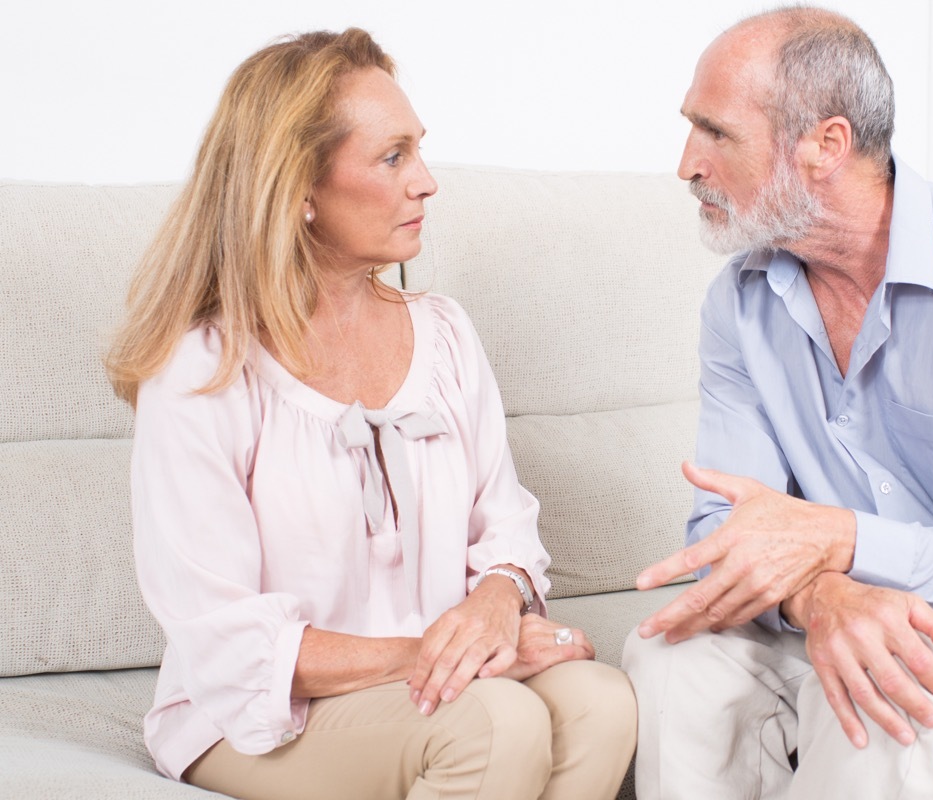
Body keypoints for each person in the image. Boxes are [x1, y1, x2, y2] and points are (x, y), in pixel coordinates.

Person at [106, 28, 635, 800]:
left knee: (601, 703)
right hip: (259, 713)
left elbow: (507, 524)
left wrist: (494, 607)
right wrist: (432, 652)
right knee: (498, 723)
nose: (426, 182)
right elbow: (227, 639)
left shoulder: (446, 334)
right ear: (301, 191)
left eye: (418, 151)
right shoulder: (204, 369)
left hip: (439, 686)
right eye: (393, 158)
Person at [622, 6, 933, 798]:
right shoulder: (739, 304)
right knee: (665, 653)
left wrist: (839, 539)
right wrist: (824, 592)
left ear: (826, 144)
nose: (687, 162)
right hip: (838, 596)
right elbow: (726, 527)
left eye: (716, 133)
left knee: (871, 680)